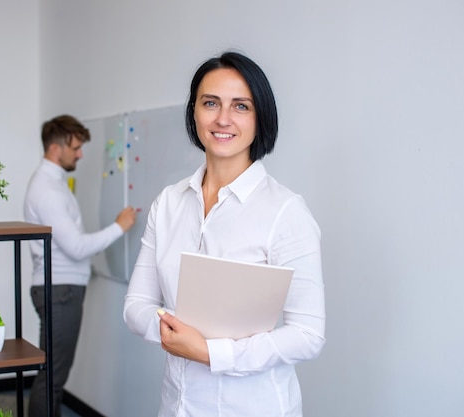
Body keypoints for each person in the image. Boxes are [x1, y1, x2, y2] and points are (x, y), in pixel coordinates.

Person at [123, 51, 325, 417]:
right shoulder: (168, 203)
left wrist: (209, 351)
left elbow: (308, 335)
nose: (223, 119)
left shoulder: (285, 211)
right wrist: (174, 333)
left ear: (260, 117)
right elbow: (136, 306)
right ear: (194, 112)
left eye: (241, 106)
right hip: (177, 404)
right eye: (210, 103)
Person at [24, 114, 136, 417]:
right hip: (60, 292)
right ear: (56, 148)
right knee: (53, 378)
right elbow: (76, 247)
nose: (81, 154)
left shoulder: (53, 183)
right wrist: (119, 227)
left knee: (53, 375)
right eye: (76, 148)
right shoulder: (48, 190)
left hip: (61, 290)